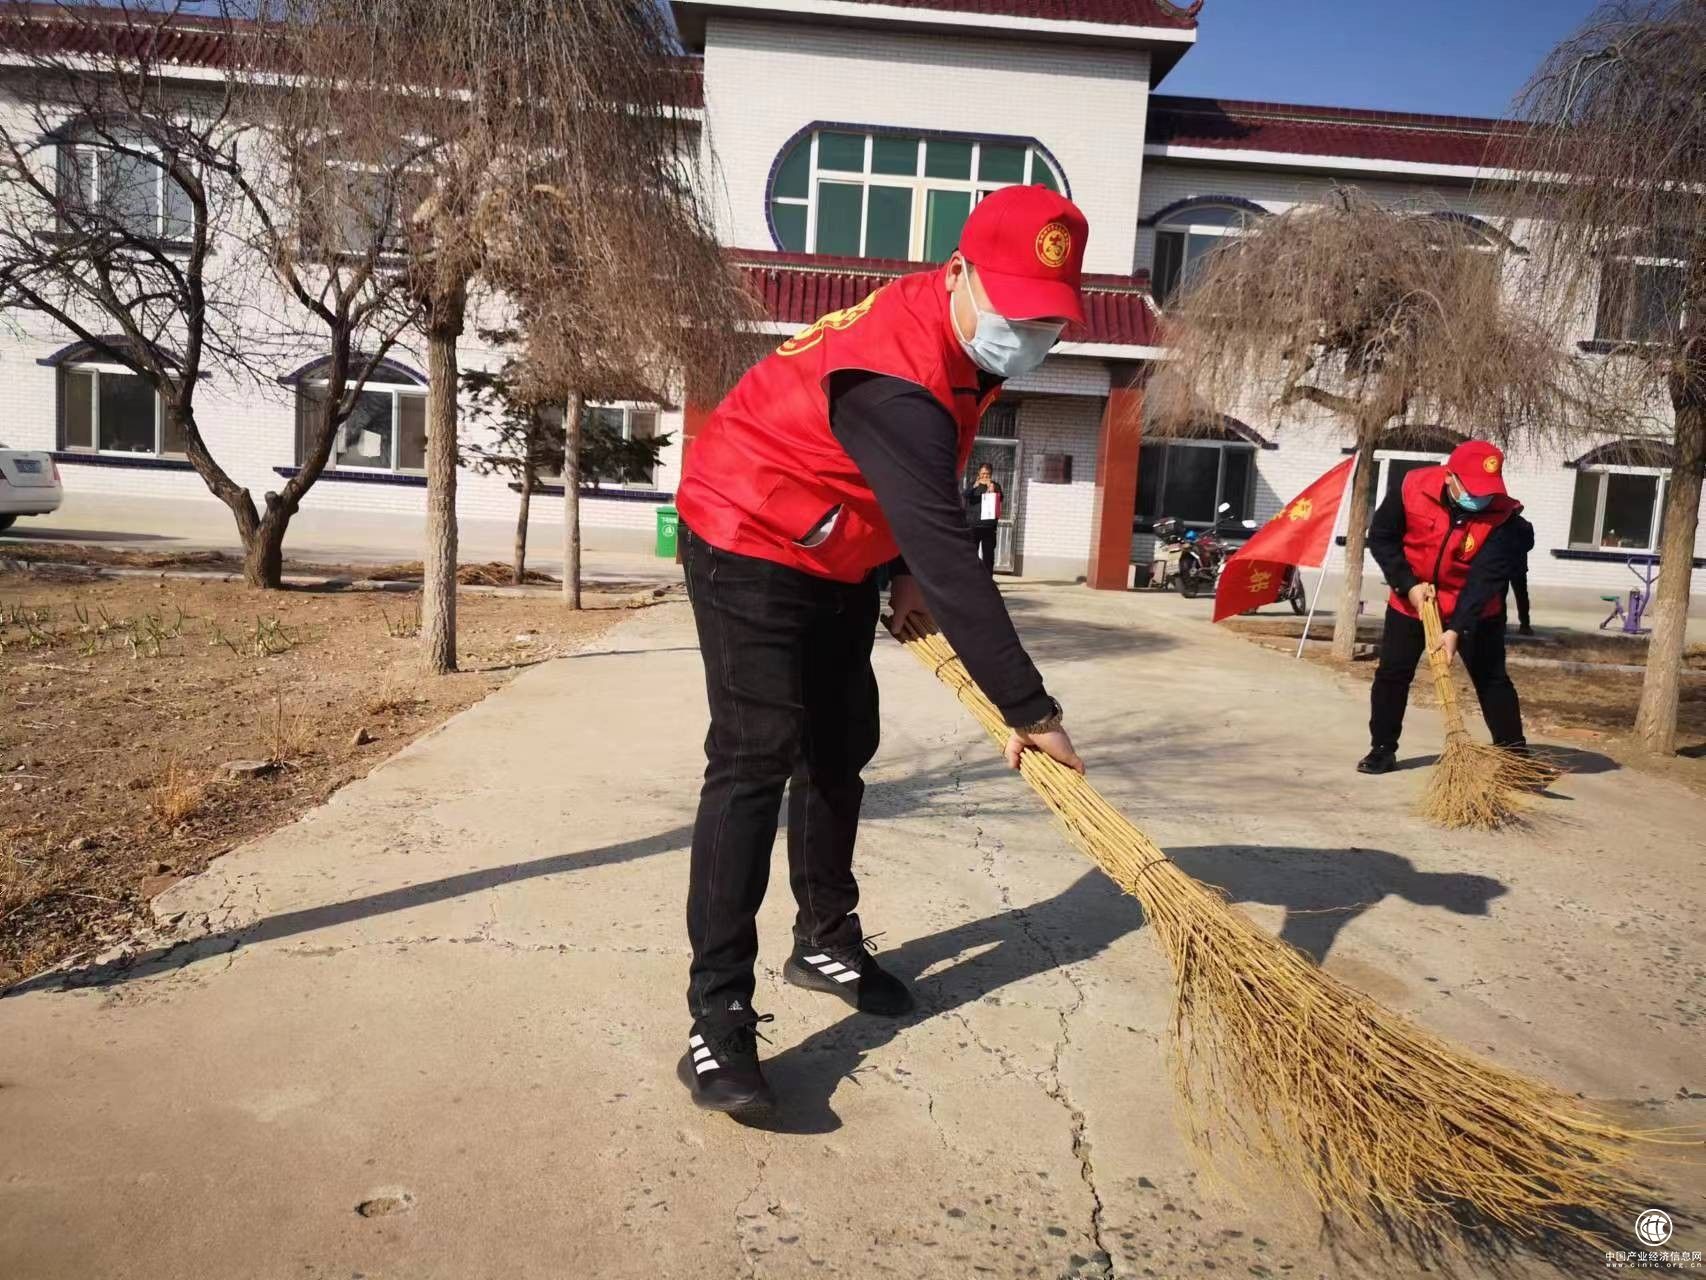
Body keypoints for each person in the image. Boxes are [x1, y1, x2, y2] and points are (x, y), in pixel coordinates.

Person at [672, 185, 1089, 1115]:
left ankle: (822, 936)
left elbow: (915, 498)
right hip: (748, 529)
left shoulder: (959, 346)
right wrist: (1030, 709)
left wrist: (891, 563)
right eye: (1014, 312)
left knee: (841, 742)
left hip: (833, 539)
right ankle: (718, 1018)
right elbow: (954, 558)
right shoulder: (896, 374)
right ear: (959, 274)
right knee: (754, 755)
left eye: (1046, 321)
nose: (1028, 337)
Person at [1358, 440, 1534, 774]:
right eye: (1473, 489)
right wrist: (1407, 585)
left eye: (1488, 490)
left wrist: (1457, 628)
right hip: (1412, 600)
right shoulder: (1412, 487)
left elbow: (1485, 579)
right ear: (1449, 476)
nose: (1481, 498)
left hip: (1476, 610)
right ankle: (1381, 749)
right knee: (1393, 674)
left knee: (1492, 680)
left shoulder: (1503, 518)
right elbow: (1382, 537)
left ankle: (1515, 759)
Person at [963, 462, 1004, 576]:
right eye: (983, 473)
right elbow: (965, 495)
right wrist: (974, 486)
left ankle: (988, 580)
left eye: (987, 474)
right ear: (979, 473)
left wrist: (993, 490)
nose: (985, 476)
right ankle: (971, 579)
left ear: (991, 474)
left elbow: (1000, 499)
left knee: (988, 556)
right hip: (974, 525)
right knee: (971, 555)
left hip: (989, 527)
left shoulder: (995, 485)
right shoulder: (973, 485)